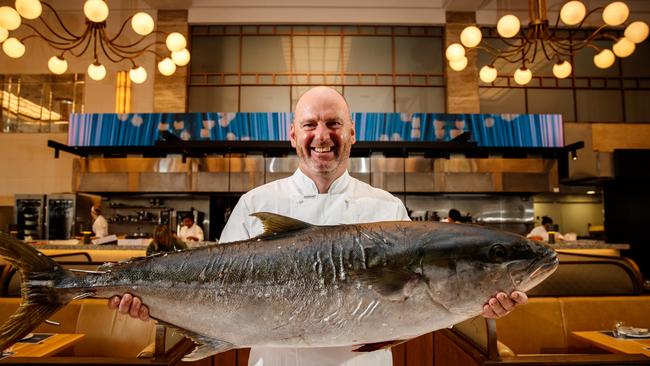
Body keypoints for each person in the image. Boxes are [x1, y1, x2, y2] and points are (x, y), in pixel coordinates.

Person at [108, 86, 528, 365]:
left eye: (333, 124)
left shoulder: (385, 207)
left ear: (351, 132)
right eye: (310, 124)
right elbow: (208, 290)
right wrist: (150, 300)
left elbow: (422, 306)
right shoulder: (256, 203)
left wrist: (479, 305)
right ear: (293, 135)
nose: (321, 135)